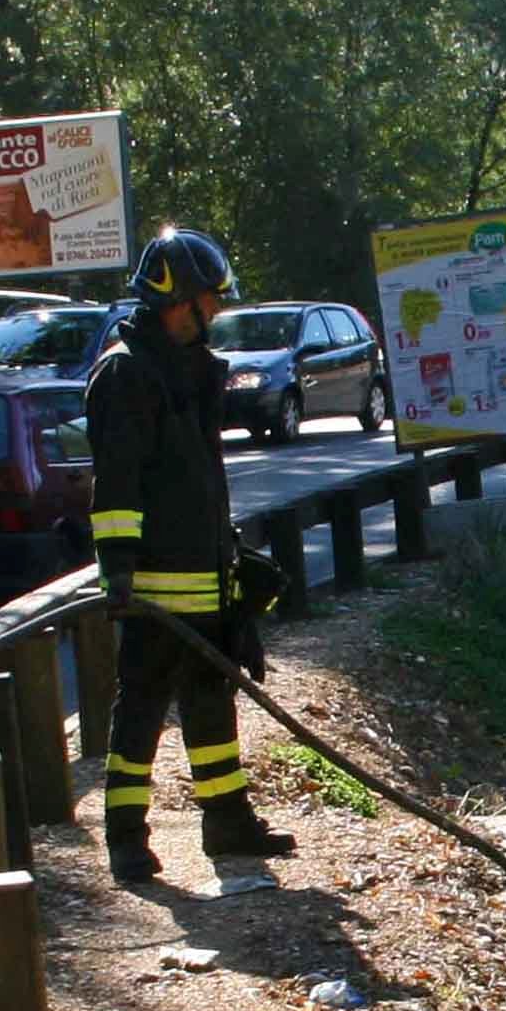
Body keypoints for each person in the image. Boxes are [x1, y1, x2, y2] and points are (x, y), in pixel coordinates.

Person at [86, 230, 295, 885]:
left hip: (205, 577)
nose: (218, 311)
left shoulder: (190, 370)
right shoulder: (126, 373)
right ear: (182, 300)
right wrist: (120, 570)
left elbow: (199, 482)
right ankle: (126, 839)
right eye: (212, 299)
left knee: (211, 706)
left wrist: (230, 560)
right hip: (153, 588)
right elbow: (117, 483)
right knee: (141, 714)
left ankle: (227, 821)